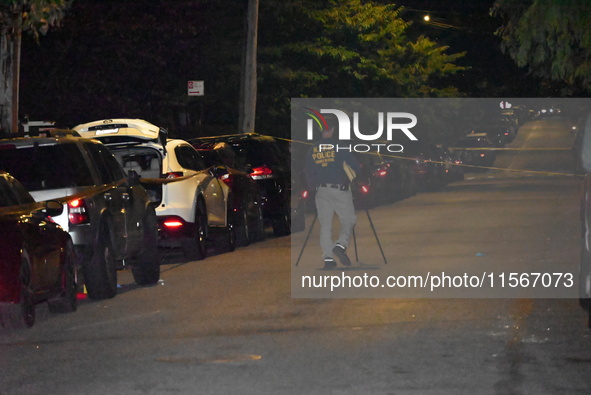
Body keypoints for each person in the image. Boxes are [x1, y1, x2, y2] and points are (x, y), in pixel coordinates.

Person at [304, 127, 361, 269]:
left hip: (322, 190)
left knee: (325, 225)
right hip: (340, 189)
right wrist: (358, 173)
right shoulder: (339, 145)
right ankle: (341, 245)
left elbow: (308, 170)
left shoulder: (313, 148)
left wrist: (313, 186)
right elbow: (354, 165)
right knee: (349, 219)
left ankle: (328, 258)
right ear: (333, 129)